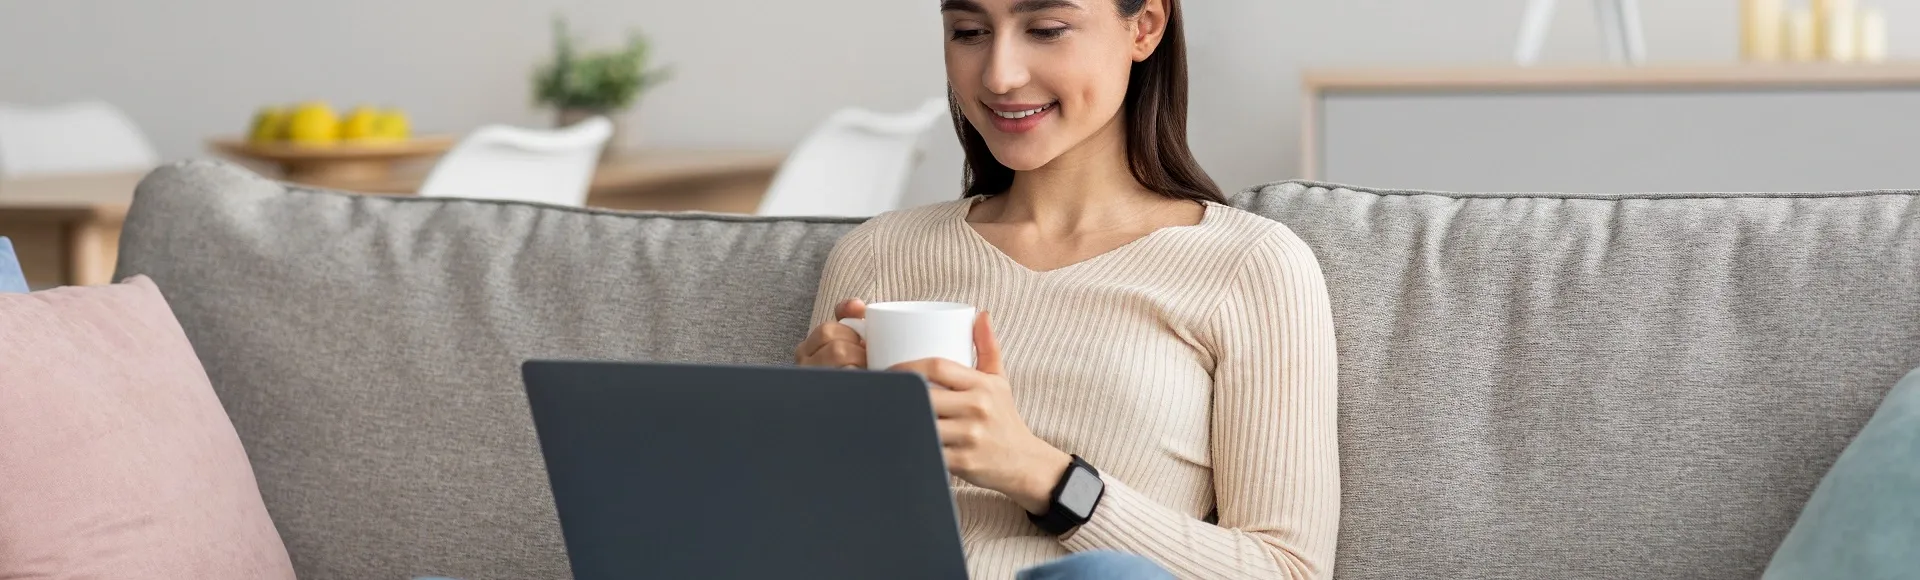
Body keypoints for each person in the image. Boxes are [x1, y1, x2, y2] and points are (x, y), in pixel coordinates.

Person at [794, 0, 1339, 578]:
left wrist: (1042, 476)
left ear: (1145, 26)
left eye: (1047, 29)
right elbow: (800, 535)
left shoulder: (1247, 265)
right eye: (970, 31)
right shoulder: (879, 254)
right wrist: (807, 437)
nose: (999, 75)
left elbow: (1288, 569)